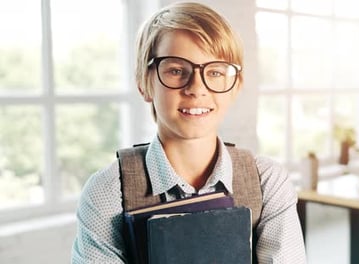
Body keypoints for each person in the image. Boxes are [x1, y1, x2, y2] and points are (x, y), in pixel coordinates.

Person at [71, 2, 306, 263]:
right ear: (144, 82)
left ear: (235, 86)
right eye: (176, 71)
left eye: (215, 72)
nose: (196, 88)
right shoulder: (108, 192)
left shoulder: (267, 183)